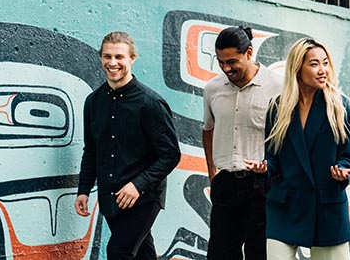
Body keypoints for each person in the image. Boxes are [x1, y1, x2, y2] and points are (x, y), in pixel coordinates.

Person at [244, 38, 350, 260]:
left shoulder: (339, 106)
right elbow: (273, 159)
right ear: (298, 68)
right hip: (285, 205)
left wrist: (342, 170)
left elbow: (346, 157)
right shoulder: (278, 107)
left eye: (325, 63)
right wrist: (263, 167)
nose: (322, 70)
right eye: (314, 64)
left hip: (326, 206)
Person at [75, 31, 181, 259]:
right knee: (143, 254)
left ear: (132, 58)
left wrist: (138, 185)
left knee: (118, 251)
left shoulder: (150, 104)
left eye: (119, 57)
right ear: (101, 58)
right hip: (111, 195)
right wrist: (83, 190)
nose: (112, 63)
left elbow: (171, 154)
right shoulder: (93, 102)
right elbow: (91, 150)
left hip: (144, 196)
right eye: (107, 56)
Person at [202, 26, 283, 260]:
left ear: (249, 53)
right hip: (225, 184)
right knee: (220, 255)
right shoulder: (212, 88)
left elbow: (286, 139)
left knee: (260, 255)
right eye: (220, 62)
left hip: (263, 186)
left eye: (232, 61)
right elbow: (208, 129)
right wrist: (212, 173)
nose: (226, 68)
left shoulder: (278, 87)